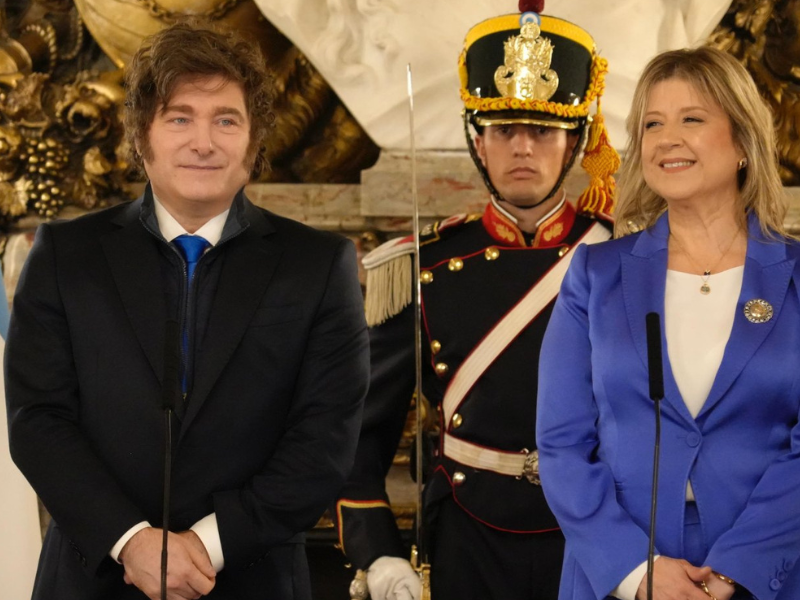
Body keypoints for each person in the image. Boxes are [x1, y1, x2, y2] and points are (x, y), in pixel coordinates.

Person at [4, 20, 369, 600]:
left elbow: (324, 439)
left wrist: (205, 546)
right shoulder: (64, 256)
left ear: (254, 140)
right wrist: (132, 542)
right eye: (179, 118)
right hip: (94, 576)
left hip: (252, 577)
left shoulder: (319, 266)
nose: (204, 142)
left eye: (226, 120)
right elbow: (38, 420)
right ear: (141, 135)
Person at [333, 2, 618, 599]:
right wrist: (378, 552)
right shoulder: (423, 268)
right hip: (467, 536)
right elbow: (361, 436)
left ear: (575, 142)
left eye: (542, 130)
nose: (523, 148)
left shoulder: (623, 257)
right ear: (477, 143)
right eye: (503, 130)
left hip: (597, 532)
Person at [537, 45, 800, 600]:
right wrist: (638, 572)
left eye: (692, 119)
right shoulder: (595, 274)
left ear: (744, 143)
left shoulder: (795, 275)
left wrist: (737, 569)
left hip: (770, 571)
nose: (666, 139)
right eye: (652, 124)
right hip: (621, 570)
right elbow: (561, 443)